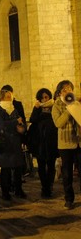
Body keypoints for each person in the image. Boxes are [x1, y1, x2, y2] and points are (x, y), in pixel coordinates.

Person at [0, 89, 27, 201]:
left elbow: (20, 121)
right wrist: (15, 122)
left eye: (10, 96)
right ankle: (5, 192)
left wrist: (22, 127)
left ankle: (18, 189)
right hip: (5, 143)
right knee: (6, 169)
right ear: (1, 98)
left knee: (17, 167)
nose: (9, 99)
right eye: (7, 97)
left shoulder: (13, 109)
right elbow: (0, 125)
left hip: (15, 142)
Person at [52, 80, 81, 210]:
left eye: (69, 88)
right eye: (64, 89)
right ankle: (69, 199)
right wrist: (69, 111)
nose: (68, 91)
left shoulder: (76, 103)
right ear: (59, 93)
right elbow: (58, 123)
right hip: (65, 144)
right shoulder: (57, 105)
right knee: (67, 173)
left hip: (79, 142)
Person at [29, 88, 58, 198]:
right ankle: (44, 187)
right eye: (42, 97)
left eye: (46, 97)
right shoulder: (38, 108)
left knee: (51, 165)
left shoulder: (54, 107)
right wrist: (36, 109)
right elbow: (32, 119)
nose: (44, 99)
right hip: (40, 141)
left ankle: (49, 186)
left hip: (51, 141)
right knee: (41, 166)